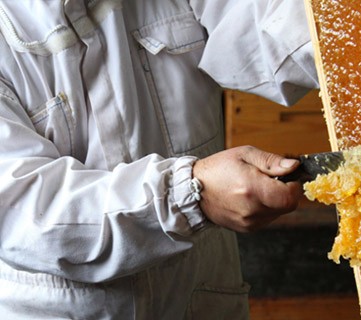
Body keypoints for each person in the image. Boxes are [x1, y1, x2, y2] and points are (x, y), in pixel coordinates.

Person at [0, 0, 318, 319]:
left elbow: (272, 34)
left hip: (200, 302)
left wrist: (341, 26)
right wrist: (189, 196)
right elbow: (24, 211)